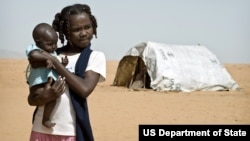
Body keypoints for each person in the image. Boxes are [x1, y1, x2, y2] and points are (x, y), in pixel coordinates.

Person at [27, 3, 106, 141]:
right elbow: (31, 98)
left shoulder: (95, 57)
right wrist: (46, 96)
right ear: (66, 32)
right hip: (40, 130)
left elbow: (84, 89)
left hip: (70, 132)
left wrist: (55, 63)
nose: (83, 33)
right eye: (76, 29)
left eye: (87, 27)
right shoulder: (49, 54)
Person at [26, 23, 68, 128]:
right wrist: (46, 59)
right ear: (38, 42)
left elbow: (57, 69)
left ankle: (46, 119)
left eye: (55, 43)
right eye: (50, 44)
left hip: (48, 85)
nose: (54, 46)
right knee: (45, 97)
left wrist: (62, 64)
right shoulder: (35, 49)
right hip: (37, 85)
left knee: (52, 100)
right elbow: (33, 55)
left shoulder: (53, 53)